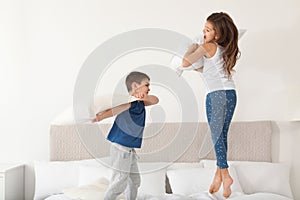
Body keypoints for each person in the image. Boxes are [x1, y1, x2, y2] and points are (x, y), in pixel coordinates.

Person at [182, 12, 240, 198]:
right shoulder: (224, 50)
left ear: (218, 34)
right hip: (231, 94)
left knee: (216, 137)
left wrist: (193, 44)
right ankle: (218, 174)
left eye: (207, 30)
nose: (203, 32)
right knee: (221, 136)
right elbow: (204, 70)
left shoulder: (208, 46)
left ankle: (225, 173)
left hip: (215, 96)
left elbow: (185, 62)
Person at [92, 71, 159, 200]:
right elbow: (113, 111)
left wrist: (143, 96)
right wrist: (99, 117)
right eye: (146, 84)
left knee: (135, 180)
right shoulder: (128, 102)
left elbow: (155, 100)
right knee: (119, 182)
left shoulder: (140, 103)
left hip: (130, 150)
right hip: (121, 148)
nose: (149, 88)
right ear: (135, 85)